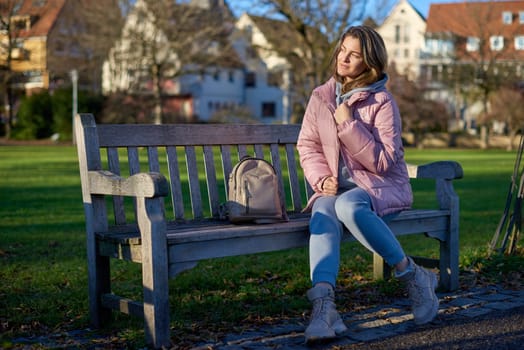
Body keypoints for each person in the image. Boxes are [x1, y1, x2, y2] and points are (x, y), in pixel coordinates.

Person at [296, 25, 439, 342]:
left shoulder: (382, 102)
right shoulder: (320, 97)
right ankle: (324, 306)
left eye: (354, 54)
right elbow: (308, 146)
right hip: (336, 189)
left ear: (369, 62)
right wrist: (322, 178)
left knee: (348, 205)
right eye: (341, 50)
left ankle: (413, 276)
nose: (343, 59)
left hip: (378, 186)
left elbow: (385, 162)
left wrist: (348, 123)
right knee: (322, 210)